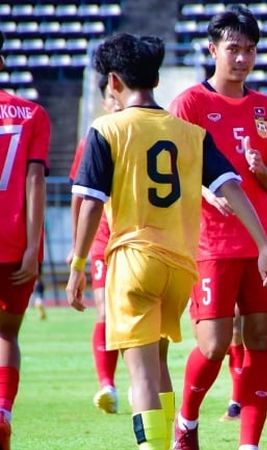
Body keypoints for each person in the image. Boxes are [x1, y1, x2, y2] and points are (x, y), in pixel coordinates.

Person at [66, 33, 267, 450]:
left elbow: (89, 204)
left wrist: (77, 266)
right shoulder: (189, 131)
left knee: (141, 372)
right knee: (160, 362)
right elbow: (232, 186)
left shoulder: (106, 129)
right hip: (180, 265)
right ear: (156, 79)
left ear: (113, 82)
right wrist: (266, 244)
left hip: (133, 259)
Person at [168, 7, 267, 449]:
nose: (242, 58)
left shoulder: (265, 109)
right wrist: (204, 193)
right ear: (212, 49)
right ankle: (187, 420)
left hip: (262, 243)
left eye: (250, 50)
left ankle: (249, 443)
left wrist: (263, 174)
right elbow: (175, 172)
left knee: (260, 339)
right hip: (212, 242)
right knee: (215, 343)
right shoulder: (190, 104)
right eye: (233, 49)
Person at [0, 28, 51, 448]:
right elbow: (35, 180)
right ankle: (2, 411)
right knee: (6, 335)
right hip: (15, 242)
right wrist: (33, 246)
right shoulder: (31, 114)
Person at [69, 75, 123, 414]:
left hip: (138, 238)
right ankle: (108, 385)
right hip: (104, 239)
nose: (116, 101)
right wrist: (79, 247)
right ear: (104, 100)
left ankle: (145, 386)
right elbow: (82, 196)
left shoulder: (144, 131)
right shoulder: (93, 139)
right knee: (105, 310)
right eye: (109, 97)